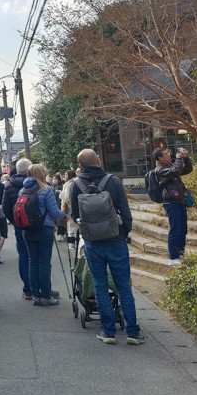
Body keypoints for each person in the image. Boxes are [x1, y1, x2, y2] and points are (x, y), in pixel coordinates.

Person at [71, 148, 143, 345]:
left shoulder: (76, 185)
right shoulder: (114, 181)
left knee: (100, 285)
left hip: (93, 243)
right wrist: (123, 233)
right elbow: (126, 214)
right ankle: (133, 332)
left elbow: (74, 215)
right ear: (99, 161)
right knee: (123, 286)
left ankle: (107, 331)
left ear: (80, 166)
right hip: (116, 239)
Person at [21, 164, 68, 306]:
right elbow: (54, 212)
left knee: (32, 262)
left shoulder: (23, 191)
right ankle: (46, 296)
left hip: (27, 230)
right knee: (44, 262)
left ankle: (35, 295)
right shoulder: (46, 190)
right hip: (44, 229)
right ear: (42, 174)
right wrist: (64, 215)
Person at [152, 146, 193, 266]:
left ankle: (180, 252)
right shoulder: (160, 170)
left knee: (182, 229)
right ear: (160, 157)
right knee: (175, 230)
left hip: (179, 201)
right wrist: (178, 158)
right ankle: (173, 257)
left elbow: (187, 169)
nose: (169, 154)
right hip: (171, 203)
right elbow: (175, 171)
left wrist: (185, 159)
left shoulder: (170, 166)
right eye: (166, 153)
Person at [2, 158, 34, 300]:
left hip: (19, 225)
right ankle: (41, 287)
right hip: (35, 225)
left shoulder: (9, 185)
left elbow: (5, 207)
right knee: (37, 256)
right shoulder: (35, 184)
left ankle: (27, 288)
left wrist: (14, 221)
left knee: (23, 255)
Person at [59, 170, 79, 241]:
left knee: (71, 226)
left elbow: (67, 197)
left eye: (66, 175)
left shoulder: (69, 184)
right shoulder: (74, 182)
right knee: (73, 225)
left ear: (69, 175)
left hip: (69, 207)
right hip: (72, 207)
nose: (65, 176)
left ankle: (72, 242)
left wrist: (61, 194)